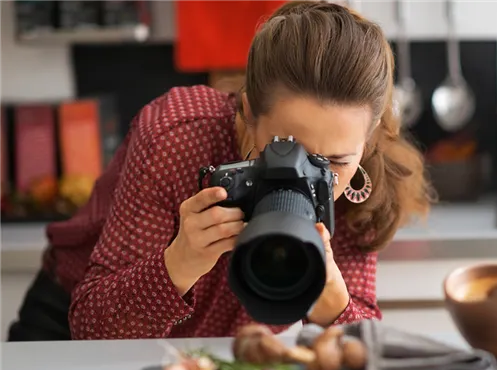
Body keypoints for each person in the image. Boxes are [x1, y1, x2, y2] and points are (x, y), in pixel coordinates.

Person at [7, 1, 433, 341]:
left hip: (221, 361)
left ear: (370, 137)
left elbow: (365, 355)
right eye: (286, 150)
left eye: (336, 161)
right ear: (247, 111)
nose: (307, 177)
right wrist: (178, 262)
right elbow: (92, 329)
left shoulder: (362, 189)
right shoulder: (177, 137)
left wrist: (337, 311)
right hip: (65, 332)